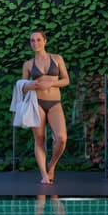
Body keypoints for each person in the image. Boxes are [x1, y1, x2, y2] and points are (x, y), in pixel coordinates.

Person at [22, 29, 71, 184]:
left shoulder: (56, 59)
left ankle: (52, 166)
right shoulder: (28, 64)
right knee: (40, 139)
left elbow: (66, 80)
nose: (35, 43)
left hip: (55, 103)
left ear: (45, 41)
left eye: (38, 40)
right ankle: (44, 174)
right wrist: (30, 85)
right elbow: (22, 86)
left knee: (62, 138)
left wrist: (52, 82)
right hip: (37, 103)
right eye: (32, 40)